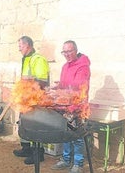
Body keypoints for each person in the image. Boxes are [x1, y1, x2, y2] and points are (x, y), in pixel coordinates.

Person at [51, 40, 90, 173]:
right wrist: (58, 86)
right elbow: (65, 84)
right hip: (65, 106)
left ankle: (78, 164)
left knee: (77, 135)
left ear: (75, 50)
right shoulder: (65, 67)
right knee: (65, 133)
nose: (66, 54)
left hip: (77, 106)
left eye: (69, 51)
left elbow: (78, 88)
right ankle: (66, 159)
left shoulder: (83, 66)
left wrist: (64, 90)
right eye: (64, 52)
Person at [13, 36, 50, 164]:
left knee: (35, 126)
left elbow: (41, 82)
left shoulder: (38, 59)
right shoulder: (26, 59)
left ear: (28, 45)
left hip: (35, 100)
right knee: (25, 124)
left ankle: (38, 154)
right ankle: (27, 148)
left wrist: (29, 92)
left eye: (20, 46)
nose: (19, 49)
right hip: (26, 99)